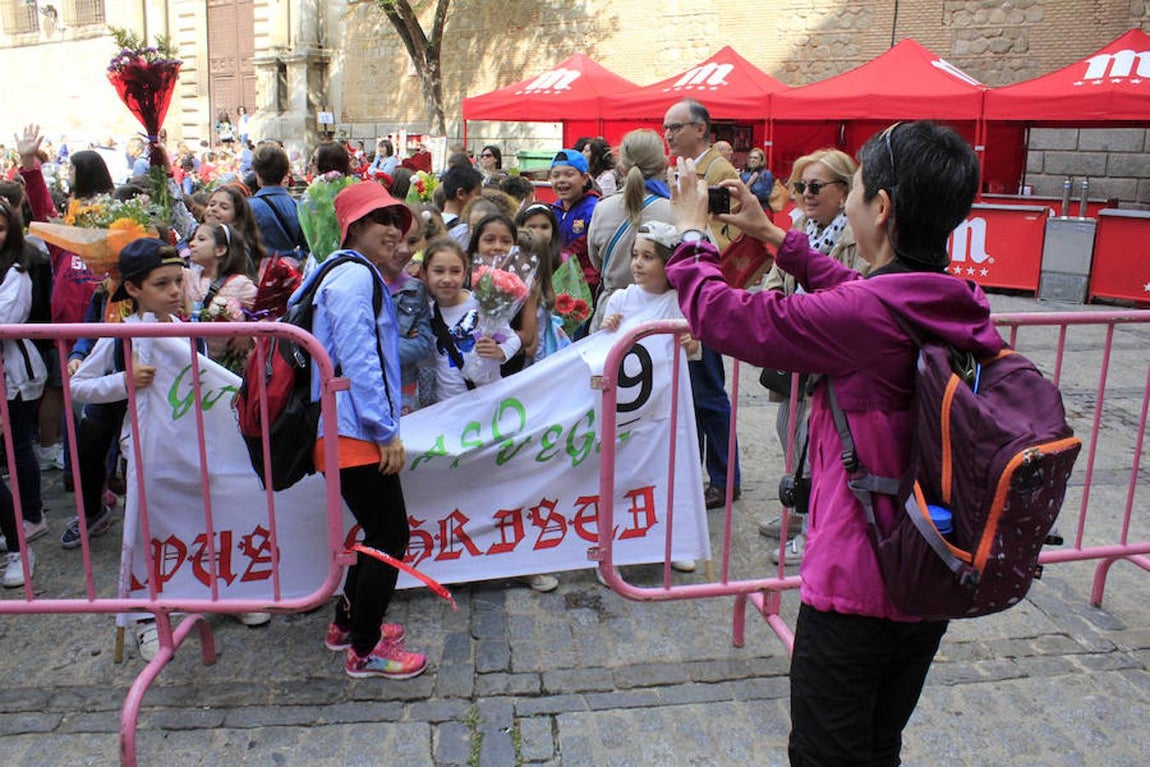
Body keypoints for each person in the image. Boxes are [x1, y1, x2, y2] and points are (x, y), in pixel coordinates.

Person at [664, 121, 999, 766]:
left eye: (857, 189)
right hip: (927, 562)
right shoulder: (956, 298)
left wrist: (688, 234)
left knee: (824, 753)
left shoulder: (867, 316)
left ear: (880, 207)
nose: (845, 202)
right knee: (879, 743)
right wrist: (772, 236)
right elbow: (857, 293)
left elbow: (727, 317)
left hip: (856, 581)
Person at [299, 181, 426, 680]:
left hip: (346, 428)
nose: (394, 231)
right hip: (354, 429)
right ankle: (366, 649)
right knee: (391, 536)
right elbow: (359, 360)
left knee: (379, 532)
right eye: (381, 222)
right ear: (353, 228)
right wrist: (383, 428)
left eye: (398, 221)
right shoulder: (352, 277)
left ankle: (346, 625)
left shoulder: (342, 272)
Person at [760, 148, 865, 565]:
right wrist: (772, 297)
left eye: (815, 186)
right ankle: (799, 508)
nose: (805, 193)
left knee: (818, 441)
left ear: (843, 191)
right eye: (801, 185)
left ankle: (811, 523)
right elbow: (776, 273)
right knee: (790, 430)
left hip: (828, 352)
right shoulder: (800, 225)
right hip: (794, 351)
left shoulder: (855, 234)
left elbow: (856, 287)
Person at [663, 98, 741, 511]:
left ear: (700, 128)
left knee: (709, 393)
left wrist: (692, 242)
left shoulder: (718, 171)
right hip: (690, 291)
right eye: (666, 128)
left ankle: (726, 480)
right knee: (695, 393)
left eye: (676, 127)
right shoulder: (687, 169)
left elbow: (728, 234)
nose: (669, 134)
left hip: (708, 293)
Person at [0, 198, 49, 588]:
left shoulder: (19, 269)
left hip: (13, 373)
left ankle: (30, 518)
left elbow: (6, 318)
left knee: (18, 447)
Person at [587, 129, 672, 332]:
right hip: (663, 314)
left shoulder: (602, 208)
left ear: (622, 167)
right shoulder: (677, 211)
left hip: (612, 315)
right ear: (663, 164)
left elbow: (595, 261)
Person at [423, 236, 520, 402]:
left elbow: (513, 339)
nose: (447, 279)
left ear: (465, 273)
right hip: (449, 406)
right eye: (438, 271)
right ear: (424, 274)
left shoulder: (481, 303)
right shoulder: (427, 313)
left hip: (489, 401)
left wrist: (499, 351)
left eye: (455, 271)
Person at [379, 205, 434, 415]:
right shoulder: (360, 283)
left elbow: (422, 344)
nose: (404, 249)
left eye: (412, 242)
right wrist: (401, 341)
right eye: (396, 240)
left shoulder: (415, 287)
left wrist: (378, 346)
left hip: (404, 390)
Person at [182, 222, 258, 366]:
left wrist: (246, 334)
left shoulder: (240, 283)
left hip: (224, 367)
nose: (192, 244)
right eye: (193, 239)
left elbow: (267, 313)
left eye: (201, 239)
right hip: (191, 362)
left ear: (220, 250)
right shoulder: (186, 277)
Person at [548, 149, 599, 294]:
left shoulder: (595, 209)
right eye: (556, 175)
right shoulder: (552, 210)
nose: (561, 180)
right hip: (558, 285)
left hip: (588, 287)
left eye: (569, 174)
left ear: (584, 178)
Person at [249, 143, 307, 260]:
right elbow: (307, 247)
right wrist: (292, 258)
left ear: (257, 174)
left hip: (258, 271)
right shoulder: (297, 206)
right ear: (285, 173)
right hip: (290, 273)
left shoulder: (248, 207)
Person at [439, 165, 483, 247]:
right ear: (461, 193)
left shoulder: (433, 221)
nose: (480, 199)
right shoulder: (465, 231)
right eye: (478, 194)